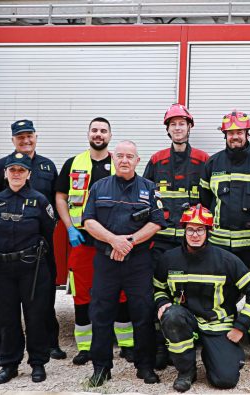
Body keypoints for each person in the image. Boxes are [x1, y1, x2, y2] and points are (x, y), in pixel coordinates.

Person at [154, 205, 250, 392]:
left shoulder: (226, 260)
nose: (195, 234)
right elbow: (158, 288)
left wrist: (241, 326)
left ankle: (220, 354)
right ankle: (186, 372)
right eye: (190, 229)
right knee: (171, 315)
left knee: (225, 381)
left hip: (217, 324)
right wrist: (162, 302)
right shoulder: (169, 259)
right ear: (184, 230)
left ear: (208, 231)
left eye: (200, 229)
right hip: (185, 320)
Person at [0, 119, 65, 363]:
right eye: (20, 137)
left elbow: (55, 203)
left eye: (29, 136)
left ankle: (50, 344)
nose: (26, 140)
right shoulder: (1, 166)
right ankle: (1, 348)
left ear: (36, 136)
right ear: (13, 139)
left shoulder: (48, 167)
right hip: (8, 248)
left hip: (40, 247)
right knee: (4, 304)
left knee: (44, 298)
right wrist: (7, 225)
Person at [82, 140, 163, 386]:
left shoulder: (149, 188)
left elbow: (157, 221)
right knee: (101, 314)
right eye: (120, 156)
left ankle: (145, 366)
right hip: (106, 262)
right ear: (112, 159)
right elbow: (88, 221)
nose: (124, 160)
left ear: (138, 161)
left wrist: (129, 241)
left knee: (143, 314)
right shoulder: (99, 187)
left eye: (130, 156)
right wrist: (114, 241)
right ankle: (101, 369)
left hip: (138, 262)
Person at [198, 110, 250, 366]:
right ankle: (227, 345)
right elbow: (204, 203)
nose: (235, 137)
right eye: (231, 133)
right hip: (221, 246)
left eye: (239, 132)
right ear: (225, 135)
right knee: (224, 298)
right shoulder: (213, 164)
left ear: (247, 134)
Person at [55, 118, 134, 366]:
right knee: (82, 296)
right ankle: (85, 348)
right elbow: (61, 196)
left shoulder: (119, 162)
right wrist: (69, 228)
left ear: (110, 135)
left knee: (121, 294)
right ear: (88, 133)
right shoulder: (73, 163)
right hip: (82, 242)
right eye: (94, 130)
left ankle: (127, 345)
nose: (98, 134)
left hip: (112, 244)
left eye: (103, 131)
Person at [144, 104, 209, 369]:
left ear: (190, 127)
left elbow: (209, 201)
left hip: (189, 242)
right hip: (161, 242)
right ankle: (161, 345)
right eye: (173, 124)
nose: (178, 128)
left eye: (182, 123)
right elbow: (146, 198)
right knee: (160, 291)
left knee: (191, 291)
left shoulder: (204, 159)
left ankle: (189, 341)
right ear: (168, 129)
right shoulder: (157, 159)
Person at [0, 153, 55, 384]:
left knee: (36, 316)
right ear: (5, 173)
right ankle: (9, 364)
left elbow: (47, 231)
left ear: (29, 174)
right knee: (7, 318)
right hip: (3, 268)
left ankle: (38, 363)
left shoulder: (40, 201)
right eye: (12, 170)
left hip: (32, 268)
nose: (16, 174)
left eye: (21, 170)